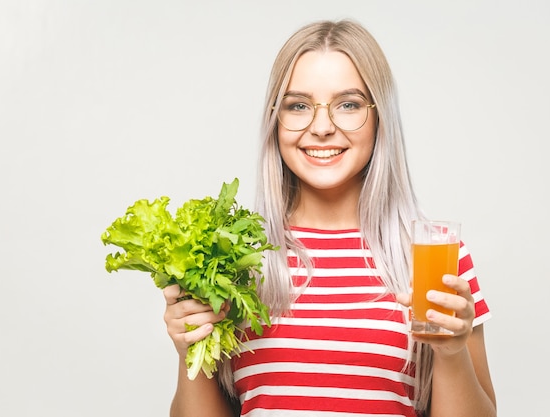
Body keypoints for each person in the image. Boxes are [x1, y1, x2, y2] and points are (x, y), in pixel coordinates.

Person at [163, 19, 497, 417]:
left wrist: (451, 353)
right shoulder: (235, 256)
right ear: (275, 119)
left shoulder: (433, 256)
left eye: (349, 104)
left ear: (379, 118)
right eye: (299, 105)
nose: (321, 128)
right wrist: (190, 349)